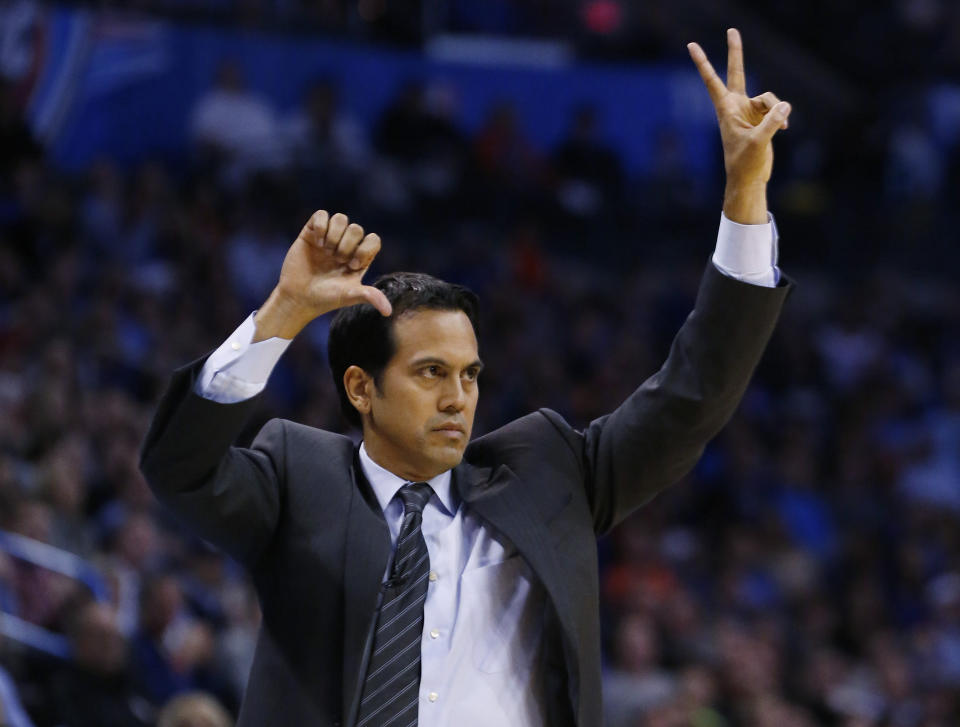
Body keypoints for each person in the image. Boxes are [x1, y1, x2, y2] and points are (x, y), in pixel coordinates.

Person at [140, 29, 793, 727]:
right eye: (430, 372)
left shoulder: (548, 472)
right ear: (361, 388)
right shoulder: (298, 477)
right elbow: (180, 470)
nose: (459, 397)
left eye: (470, 374)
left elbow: (692, 397)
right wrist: (282, 313)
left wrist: (745, 195)